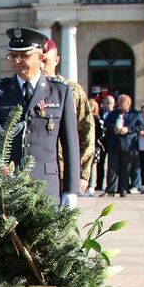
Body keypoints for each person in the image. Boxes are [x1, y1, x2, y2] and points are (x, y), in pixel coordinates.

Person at [0, 28, 79, 206]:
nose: (17, 61)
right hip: (7, 188)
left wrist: (71, 190)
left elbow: (70, 145)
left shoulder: (59, 92)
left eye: (23, 55)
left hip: (46, 187)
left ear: (40, 57)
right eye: (13, 56)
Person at [42, 39, 93, 194]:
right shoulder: (28, 90)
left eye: (46, 61)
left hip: (65, 172)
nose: (42, 66)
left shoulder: (73, 90)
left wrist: (83, 174)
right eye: (40, 61)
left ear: (56, 60)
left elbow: (87, 131)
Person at [103, 94, 141, 197]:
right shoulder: (113, 114)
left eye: (121, 102)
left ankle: (123, 189)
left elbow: (141, 125)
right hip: (114, 143)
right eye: (118, 102)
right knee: (112, 168)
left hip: (128, 145)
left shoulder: (136, 114)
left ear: (128, 103)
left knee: (126, 168)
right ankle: (111, 189)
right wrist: (113, 128)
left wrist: (128, 129)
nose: (118, 104)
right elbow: (106, 124)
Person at [88, 98, 104, 196]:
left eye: (92, 105)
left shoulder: (97, 118)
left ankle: (91, 186)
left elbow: (101, 133)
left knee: (93, 166)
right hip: (84, 145)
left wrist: (96, 141)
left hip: (94, 145)